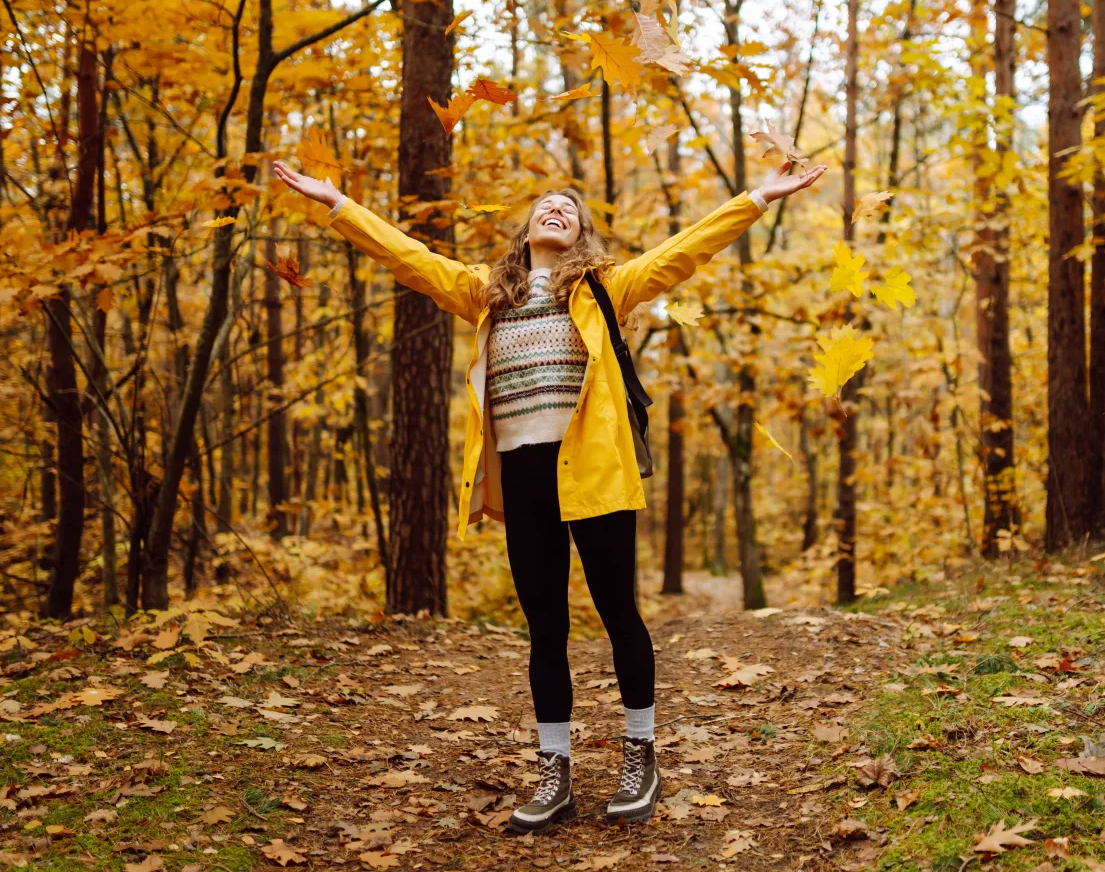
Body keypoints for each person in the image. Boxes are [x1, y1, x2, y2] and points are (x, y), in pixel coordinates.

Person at [273, 155, 827, 832]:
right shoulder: (486, 293)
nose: (555, 209)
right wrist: (338, 203)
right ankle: (554, 771)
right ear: (527, 229)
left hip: (594, 472)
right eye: (544, 206)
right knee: (546, 629)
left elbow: (685, 250)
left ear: (583, 232)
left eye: (568, 207)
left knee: (619, 611)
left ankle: (640, 753)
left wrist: (757, 198)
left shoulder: (604, 288)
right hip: (523, 476)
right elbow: (410, 256)